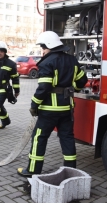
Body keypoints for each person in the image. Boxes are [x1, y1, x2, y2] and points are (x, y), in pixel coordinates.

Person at [17, 31, 88, 176]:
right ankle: (71, 170)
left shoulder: (47, 62)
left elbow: (44, 87)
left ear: (49, 46)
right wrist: (73, 88)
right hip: (67, 109)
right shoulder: (72, 60)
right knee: (67, 137)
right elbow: (82, 81)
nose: (42, 51)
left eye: (43, 48)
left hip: (49, 110)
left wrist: (34, 104)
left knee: (39, 137)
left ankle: (33, 170)